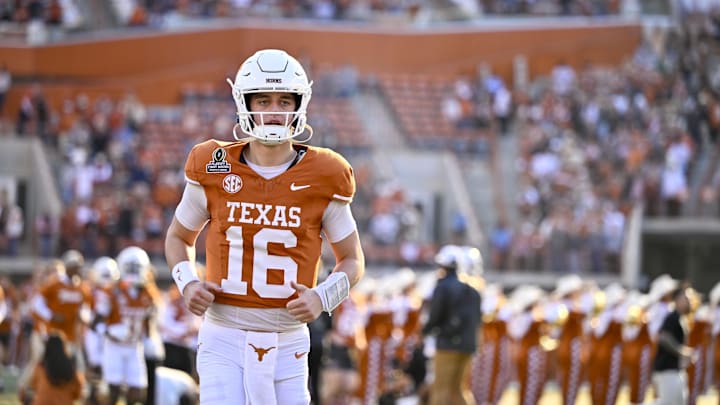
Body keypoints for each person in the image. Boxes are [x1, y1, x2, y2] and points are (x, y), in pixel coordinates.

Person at [164, 48, 365, 405]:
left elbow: (352, 259)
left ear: (298, 106)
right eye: (264, 100)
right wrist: (187, 281)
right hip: (223, 333)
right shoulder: (214, 163)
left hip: (289, 337)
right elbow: (179, 237)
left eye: (284, 101)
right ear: (246, 103)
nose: (273, 112)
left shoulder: (326, 173)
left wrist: (322, 297)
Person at [421, 245, 481, 405]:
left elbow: (435, 316)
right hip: (468, 346)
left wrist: (426, 331)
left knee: (441, 390)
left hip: (447, 344)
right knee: (459, 390)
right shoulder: (473, 289)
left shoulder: (443, 287)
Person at [650, 286, 695, 405]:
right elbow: (664, 337)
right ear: (677, 300)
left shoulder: (680, 318)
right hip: (667, 369)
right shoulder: (672, 317)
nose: (689, 300)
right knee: (667, 403)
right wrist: (682, 352)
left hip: (675, 369)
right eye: (686, 298)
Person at [20, 333, 85, 405]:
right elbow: (77, 394)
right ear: (64, 348)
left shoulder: (40, 368)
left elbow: (31, 387)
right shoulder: (71, 369)